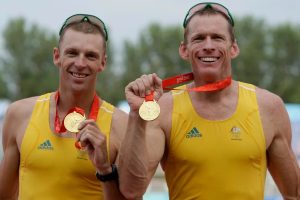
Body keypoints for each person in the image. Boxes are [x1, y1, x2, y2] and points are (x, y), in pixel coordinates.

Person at [119, 2, 300, 200]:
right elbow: (131, 190)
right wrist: (137, 116)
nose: (208, 46)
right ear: (184, 50)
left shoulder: (268, 107)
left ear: (233, 48)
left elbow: (294, 194)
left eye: (217, 38)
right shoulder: (162, 108)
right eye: (198, 38)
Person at [0, 14, 128, 200]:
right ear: (57, 56)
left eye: (90, 56)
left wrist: (105, 170)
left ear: (102, 63)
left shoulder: (121, 125)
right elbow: (4, 195)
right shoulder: (19, 114)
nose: (80, 63)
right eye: (72, 53)